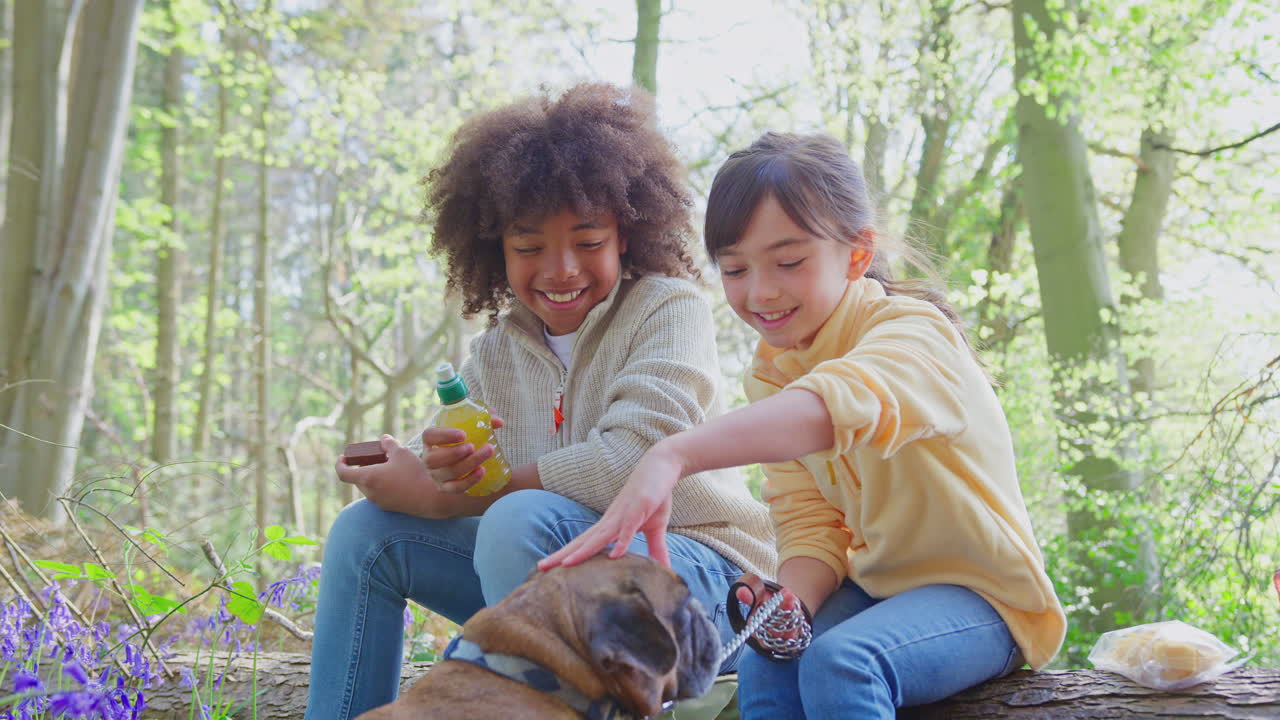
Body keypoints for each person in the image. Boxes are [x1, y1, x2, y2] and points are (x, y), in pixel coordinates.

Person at [540, 131, 1067, 719]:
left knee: (844, 662)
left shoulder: (913, 334)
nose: (761, 292)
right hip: (878, 590)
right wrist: (791, 600)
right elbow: (812, 523)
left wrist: (673, 455)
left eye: (789, 262)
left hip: (985, 599)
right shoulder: (771, 376)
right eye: (735, 270)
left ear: (857, 254)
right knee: (771, 657)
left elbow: (835, 405)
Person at [303, 83, 775, 720]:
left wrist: (461, 494)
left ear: (627, 235)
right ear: (495, 248)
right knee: (366, 535)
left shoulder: (667, 307)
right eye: (529, 247)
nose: (560, 269)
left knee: (517, 517)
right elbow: (453, 477)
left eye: (587, 242)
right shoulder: (499, 350)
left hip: (691, 586)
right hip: (551, 588)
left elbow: (632, 460)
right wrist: (420, 468)